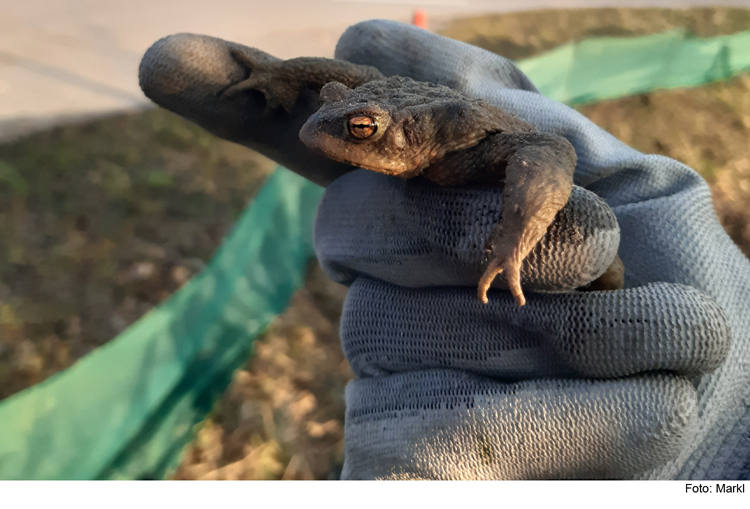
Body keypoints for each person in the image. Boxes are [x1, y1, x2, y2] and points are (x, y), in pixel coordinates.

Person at [139, 20, 750, 479]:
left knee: (586, 274)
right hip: (415, 140)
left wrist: (517, 230)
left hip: (552, 212)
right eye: (344, 119)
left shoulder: (462, 142)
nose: (330, 127)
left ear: (401, 137)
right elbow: (350, 82)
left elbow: (547, 150)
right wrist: (278, 75)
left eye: (358, 130)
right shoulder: (372, 105)